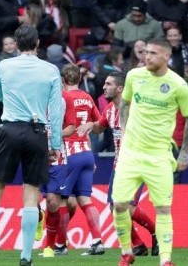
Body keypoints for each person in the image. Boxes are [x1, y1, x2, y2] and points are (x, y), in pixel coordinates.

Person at [0, 25, 63, 266]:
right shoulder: (51, 69)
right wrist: (55, 144)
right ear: (38, 43)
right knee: (31, 195)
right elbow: (56, 111)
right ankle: (26, 257)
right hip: (37, 132)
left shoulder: (4, 65)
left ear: (17, 44)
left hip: (10, 129)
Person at [113, 38, 188, 266]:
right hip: (130, 153)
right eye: (145, 52)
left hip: (159, 156)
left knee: (162, 208)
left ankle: (165, 259)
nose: (146, 56)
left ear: (165, 57)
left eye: (152, 53)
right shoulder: (134, 76)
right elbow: (124, 104)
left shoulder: (178, 85)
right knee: (119, 204)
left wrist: (184, 153)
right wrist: (125, 131)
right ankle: (127, 252)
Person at [77, 72, 159, 257]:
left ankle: (156, 234)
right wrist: (91, 125)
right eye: (105, 83)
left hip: (137, 162)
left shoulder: (134, 108)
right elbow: (101, 126)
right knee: (115, 208)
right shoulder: (109, 109)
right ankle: (138, 245)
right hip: (119, 164)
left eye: (108, 84)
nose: (104, 87)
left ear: (120, 88)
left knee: (126, 208)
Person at [61, 63, 104, 256]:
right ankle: (97, 240)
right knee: (85, 199)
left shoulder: (62, 96)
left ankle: (59, 245)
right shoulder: (87, 97)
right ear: (79, 79)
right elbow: (99, 125)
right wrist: (89, 124)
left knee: (60, 200)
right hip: (87, 153)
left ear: (63, 80)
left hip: (69, 153)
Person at [38, 89, 76, 258]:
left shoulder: (64, 98)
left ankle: (49, 246)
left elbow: (71, 127)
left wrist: (53, 135)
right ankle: (39, 217)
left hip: (57, 156)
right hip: (35, 155)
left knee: (53, 202)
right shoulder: (31, 95)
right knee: (32, 203)